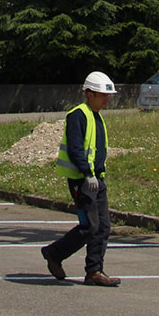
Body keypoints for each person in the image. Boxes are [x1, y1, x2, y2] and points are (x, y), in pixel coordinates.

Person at [41, 71, 121, 287]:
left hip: (96, 180)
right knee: (90, 226)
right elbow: (76, 149)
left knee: (103, 226)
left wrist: (96, 174)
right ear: (89, 94)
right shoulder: (78, 115)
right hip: (82, 181)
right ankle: (54, 253)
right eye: (102, 95)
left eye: (107, 95)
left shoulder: (96, 115)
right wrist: (87, 173)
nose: (107, 99)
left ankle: (94, 271)